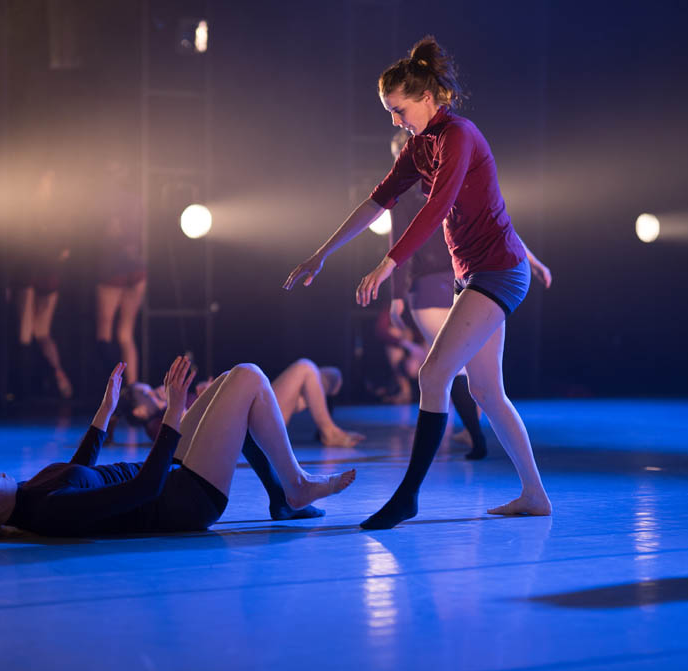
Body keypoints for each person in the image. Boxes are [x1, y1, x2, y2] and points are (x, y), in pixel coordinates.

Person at [285, 36, 551, 529]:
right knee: (487, 391)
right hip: (474, 273)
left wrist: (388, 264)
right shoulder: (419, 145)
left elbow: (437, 207)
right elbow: (376, 201)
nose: (395, 121)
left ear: (427, 98)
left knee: (433, 375)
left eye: (399, 110)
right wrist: (321, 253)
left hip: (498, 271)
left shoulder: (458, 135)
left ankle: (407, 497)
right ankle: (535, 495)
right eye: (389, 112)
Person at [0, 359, 356, 540]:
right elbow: (144, 490)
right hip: (187, 500)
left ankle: (282, 497)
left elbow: (76, 472)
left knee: (230, 381)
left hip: (174, 477)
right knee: (249, 378)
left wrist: (105, 410)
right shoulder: (48, 513)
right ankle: (295, 487)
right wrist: (173, 411)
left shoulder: (29, 495)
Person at [385, 128, 553, 460]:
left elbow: (497, 224)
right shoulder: (419, 189)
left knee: (458, 372)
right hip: (450, 282)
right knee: (458, 371)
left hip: (460, 281)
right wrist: (396, 293)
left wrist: (397, 295)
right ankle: (474, 435)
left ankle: (475, 437)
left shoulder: (451, 178)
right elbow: (401, 241)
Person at [118, 359, 365, 449]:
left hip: (247, 412)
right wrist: (203, 398)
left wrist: (209, 392)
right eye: (147, 394)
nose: (155, 390)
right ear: (139, 411)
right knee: (305, 368)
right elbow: (189, 435)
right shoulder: (158, 423)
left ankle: (324, 427)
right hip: (250, 424)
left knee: (330, 376)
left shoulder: (171, 404)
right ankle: (329, 432)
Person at [11, 168, 74, 399]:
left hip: (32, 271)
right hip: (45, 271)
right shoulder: (56, 212)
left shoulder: (30, 210)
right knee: (40, 332)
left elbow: (20, 245)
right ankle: (55, 376)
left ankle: (23, 389)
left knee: (27, 333)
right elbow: (65, 251)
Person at [95, 159, 146, 384]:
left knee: (104, 332)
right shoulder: (138, 201)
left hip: (113, 267)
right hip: (136, 267)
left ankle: (115, 389)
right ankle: (132, 388)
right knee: (126, 334)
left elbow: (110, 233)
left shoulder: (105, 202)